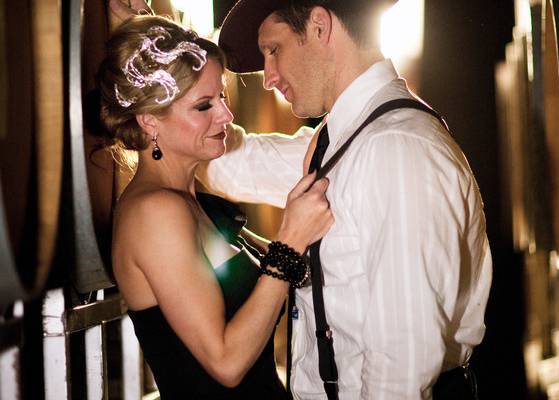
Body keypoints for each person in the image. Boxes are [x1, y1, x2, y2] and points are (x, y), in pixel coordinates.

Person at [197, 1, 494, 399]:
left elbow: (400, 366)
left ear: (319, 26)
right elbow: (231, 164)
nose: (268, 78)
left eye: (274, 50)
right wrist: (155, 62)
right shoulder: (343, 138)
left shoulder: (395, 149)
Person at [97, 14, 333, 399]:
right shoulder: (154, 214)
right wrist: (290, 242)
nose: (226, 114)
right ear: (149, 120)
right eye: (204, 105)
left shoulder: (193, 201)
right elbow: (226, 363)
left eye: (221, 97)